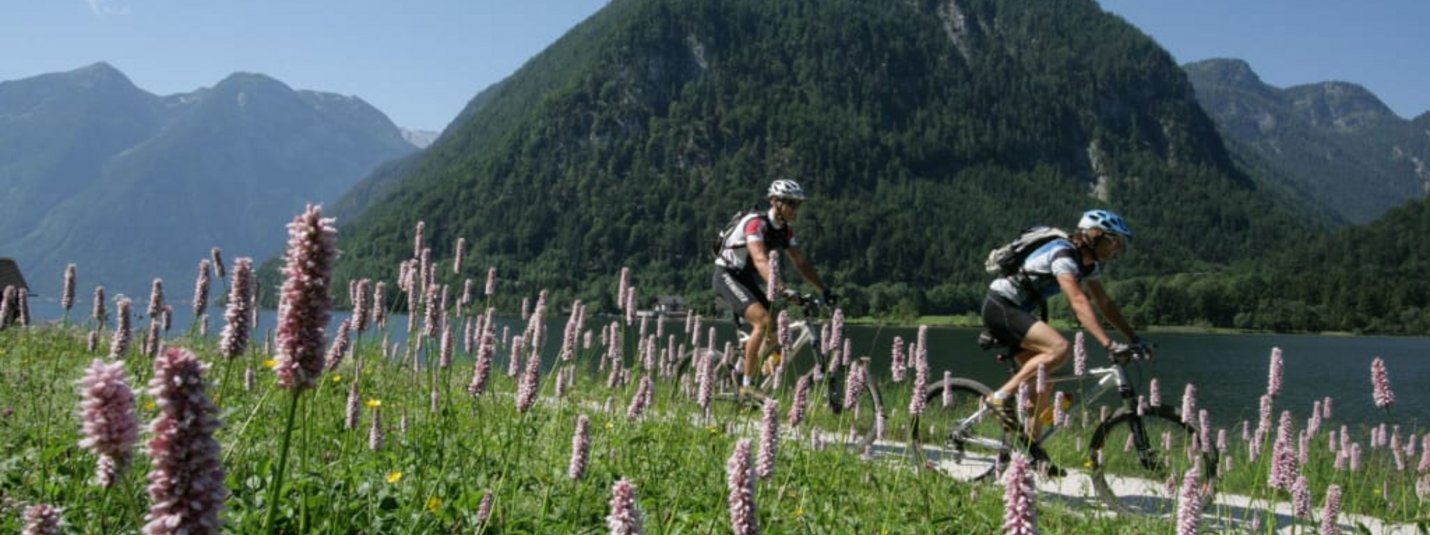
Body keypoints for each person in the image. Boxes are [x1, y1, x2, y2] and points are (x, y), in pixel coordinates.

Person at [981, 209, 1147, 440]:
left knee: (1042, 386)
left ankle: (1031, 451)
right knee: (1060, 349)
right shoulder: (1063, 255)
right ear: (1094, 234)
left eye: (1120, 244)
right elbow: (1078, 301)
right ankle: (1000, 397)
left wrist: (1134, 339)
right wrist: (1108, 344)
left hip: (1017, 311)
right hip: (1002, 307)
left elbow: (1105, 304)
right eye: (1113, 241)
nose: (1117, 249)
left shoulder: (1088, 266)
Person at [713, 179, 835, 399]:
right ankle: (746, 385)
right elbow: (760, 259)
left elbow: (801, 262)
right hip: (727, 275)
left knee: (779, 328)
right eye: (791, 204)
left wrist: (824, 289)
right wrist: (781, 288)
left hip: (747, 279)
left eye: (798, 204)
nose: (795, 209)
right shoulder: (756, 224)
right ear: (775, 202)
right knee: (762, 321)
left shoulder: (785, 232)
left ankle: (750, 366)